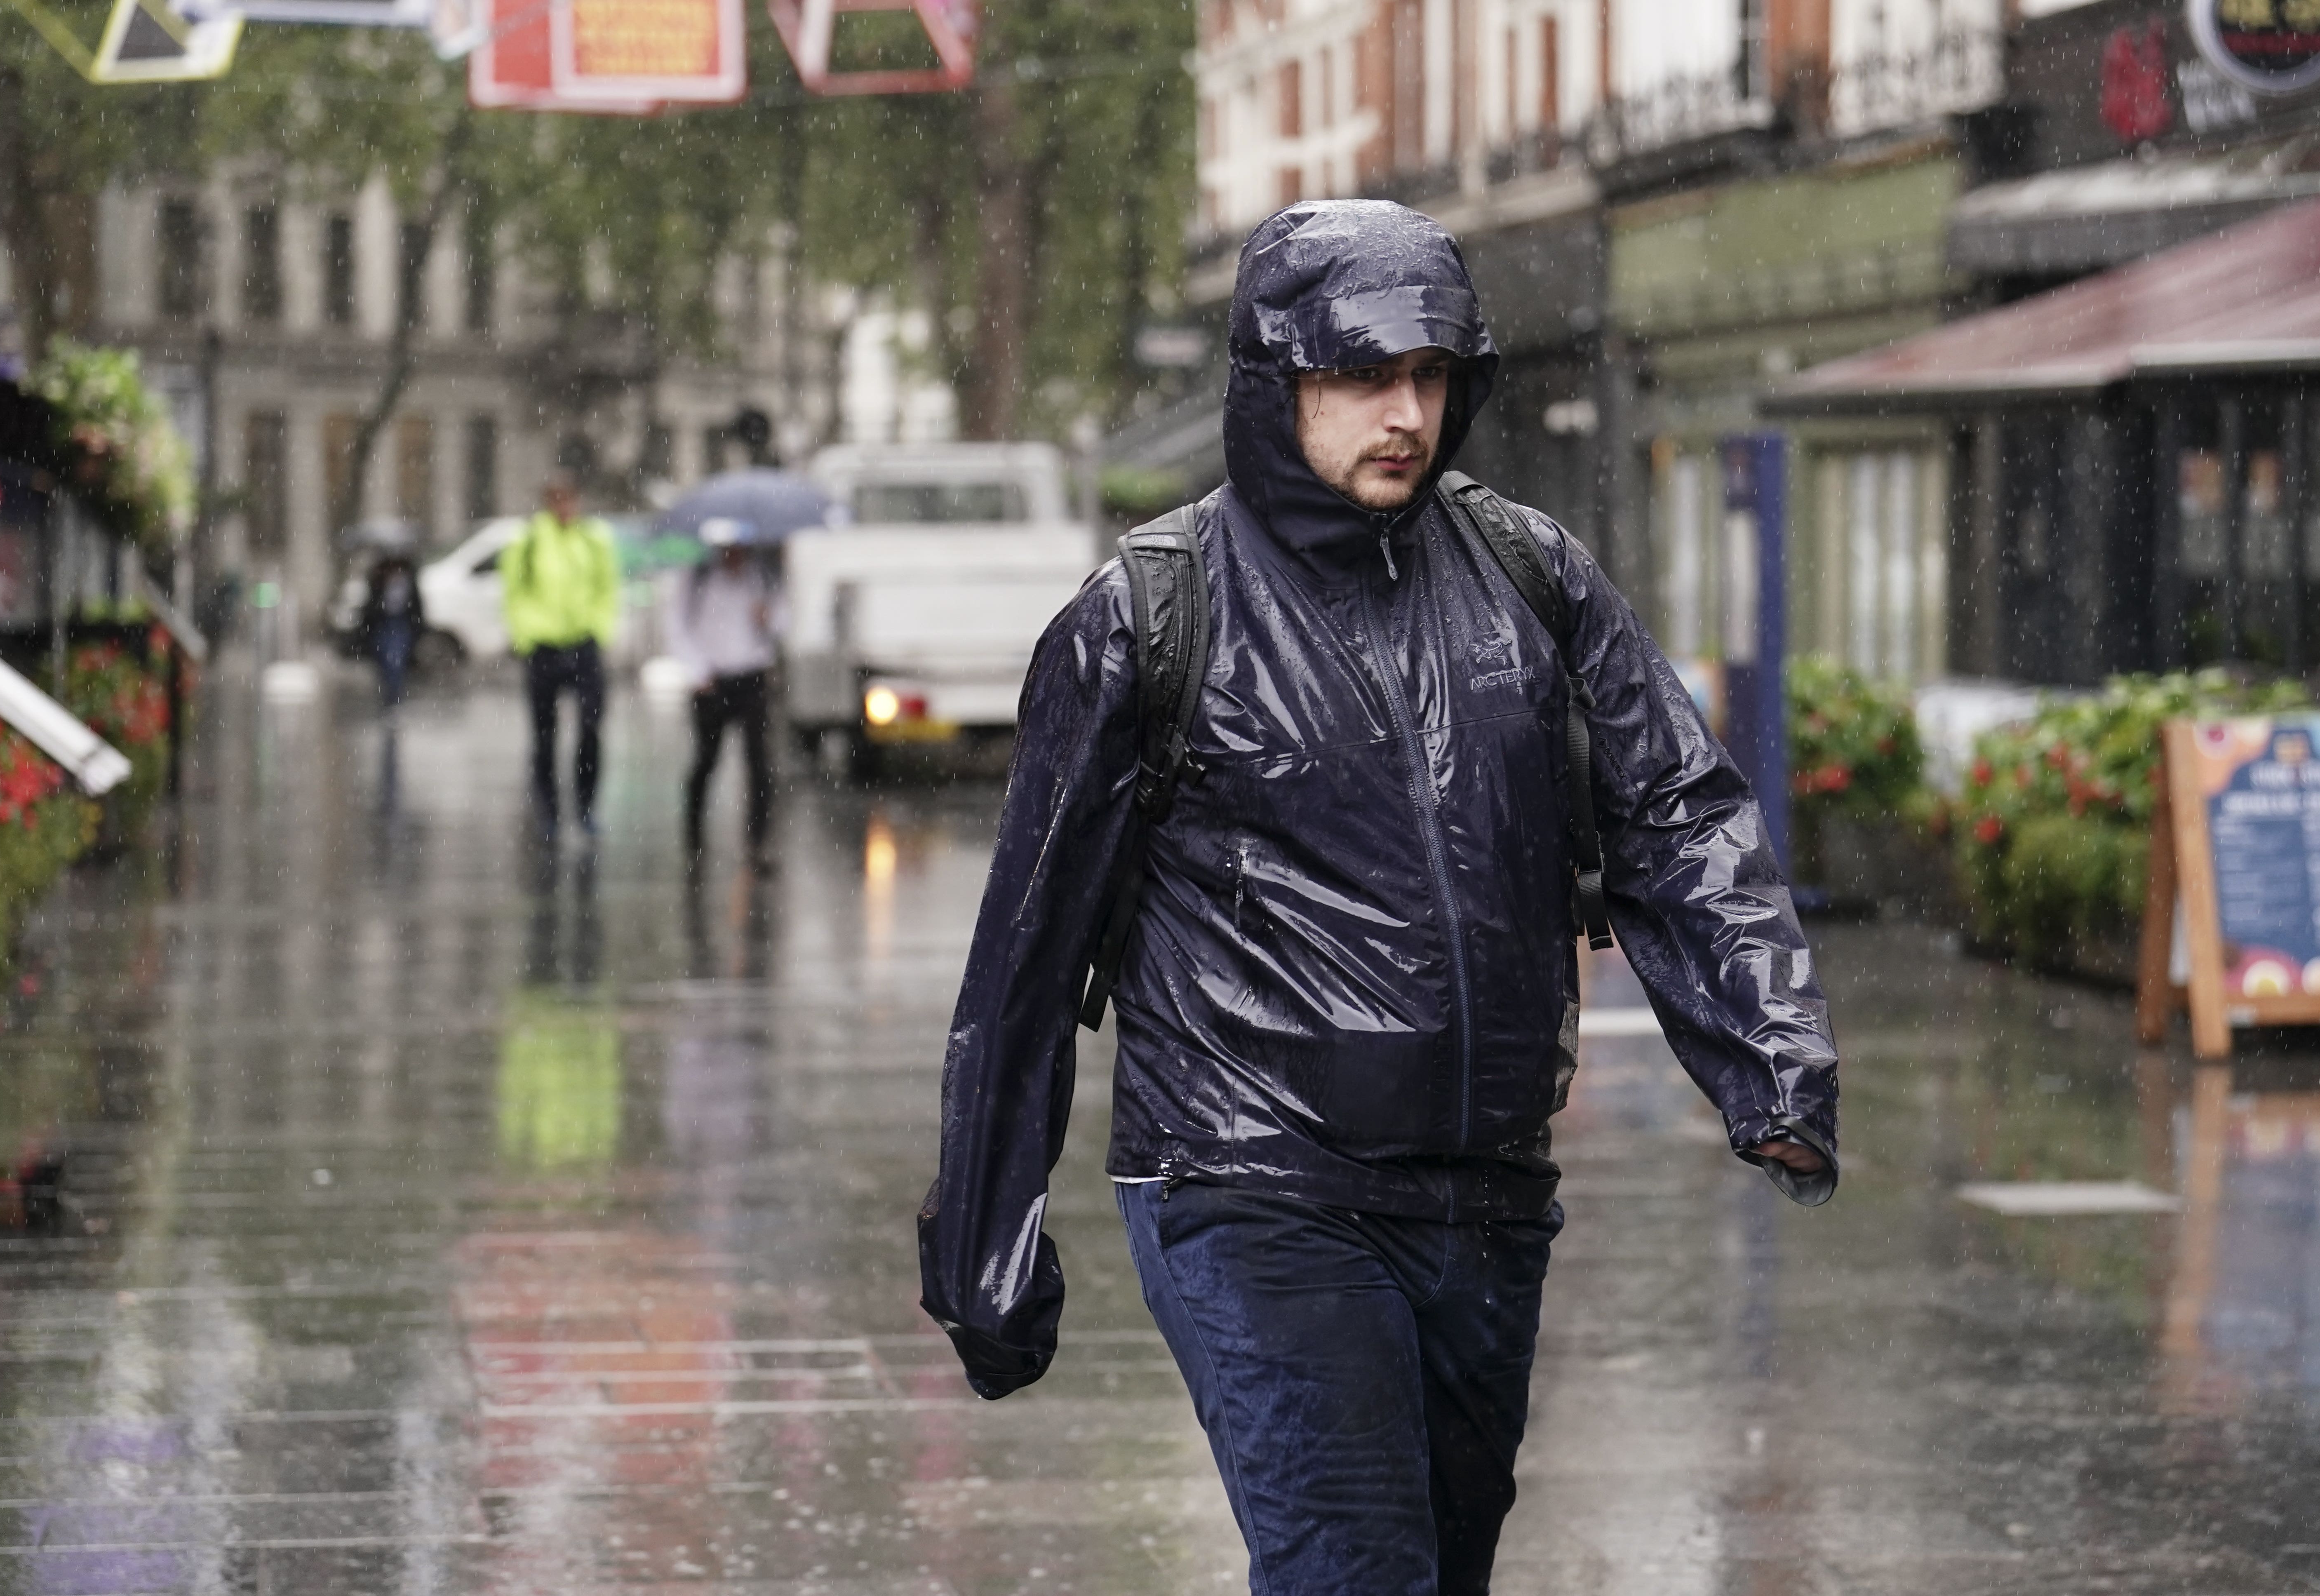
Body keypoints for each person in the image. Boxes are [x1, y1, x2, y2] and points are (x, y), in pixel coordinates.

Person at [917, 199, 1840, 1596]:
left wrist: (1768, 1054)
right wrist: (985, 1240)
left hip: (1485, 1197)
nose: (1401, 412)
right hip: (1250, 1181)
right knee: (1358, 1576)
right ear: (1271, 377)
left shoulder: (1532, 575)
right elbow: (1025, 961)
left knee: (1426, 1574)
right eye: (1358, 375)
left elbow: (1674, 813)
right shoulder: (1148, 615)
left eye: (1429, 375)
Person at [500, 474, 620, 841]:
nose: (565, 508)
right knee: (545, 736)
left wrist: (599, 630)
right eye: (558, 500)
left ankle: (585, 807)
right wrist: (527, 635)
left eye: (570, 500)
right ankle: (549, 811)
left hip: (583, 644)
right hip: (545, 647)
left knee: (590, 729)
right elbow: (514, 591)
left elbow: (607, 587)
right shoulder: (532, 540)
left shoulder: (592, 540)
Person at [667, 518, 785, 871]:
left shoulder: (762, 578)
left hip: (751, 677)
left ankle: (758, 844)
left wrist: (768, 618)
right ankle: (694, 843)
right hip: (712, 680)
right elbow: (676, 625)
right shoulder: (700, 577)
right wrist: (698, 671)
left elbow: (784, 620)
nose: (736, 556)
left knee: (760, 765)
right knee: (706, 760)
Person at [357, 550, 426, 711]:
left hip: (401, 624)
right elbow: (371, 604)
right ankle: (388, 697)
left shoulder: (409, 576)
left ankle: (394, 700)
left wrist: (419, 627)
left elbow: (416, 604)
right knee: (384, 663)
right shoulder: (379, 576)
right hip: (382, 624)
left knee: (395, 663)